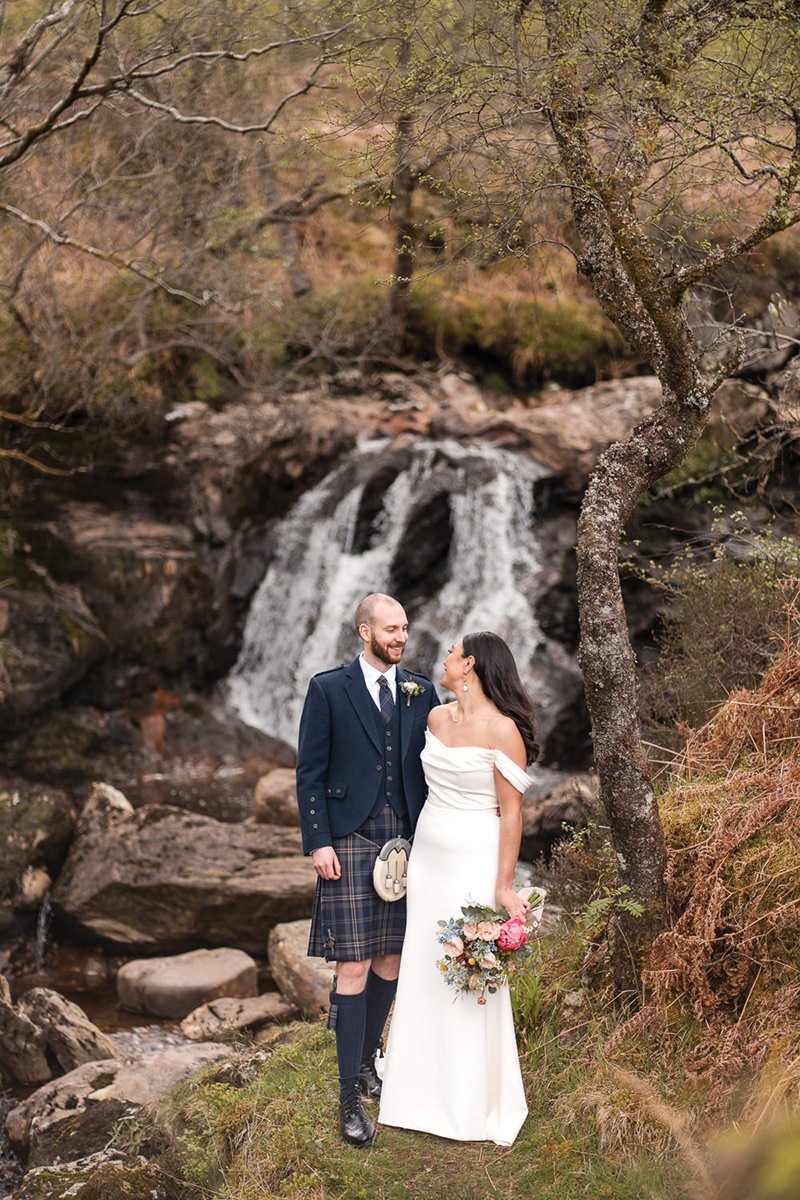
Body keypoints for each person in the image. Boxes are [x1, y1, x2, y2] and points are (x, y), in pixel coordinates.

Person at [379, 631, 538, 1146]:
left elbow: (511, 813)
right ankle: (415, 1089)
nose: (442, 661)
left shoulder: (504, 731)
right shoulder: (435, 718)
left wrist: (504, 884)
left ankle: (470, 1098)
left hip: (474, 855)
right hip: (429, 854)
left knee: (467, 970)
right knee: (425, 961)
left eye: (451, 654)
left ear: (468, 665)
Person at [296, 593, 439, 1148]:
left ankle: (364, 1060)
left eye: (405, 628)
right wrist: (318, 843)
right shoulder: (328, 688)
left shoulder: (421, 690)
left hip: (405, 841)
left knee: (391, 958)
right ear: (364, 631)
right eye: (391, 629)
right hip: (349, 841)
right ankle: (349, 1098)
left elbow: (433, 765)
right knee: (351, 967)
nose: (401, 637)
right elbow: (309, 771)